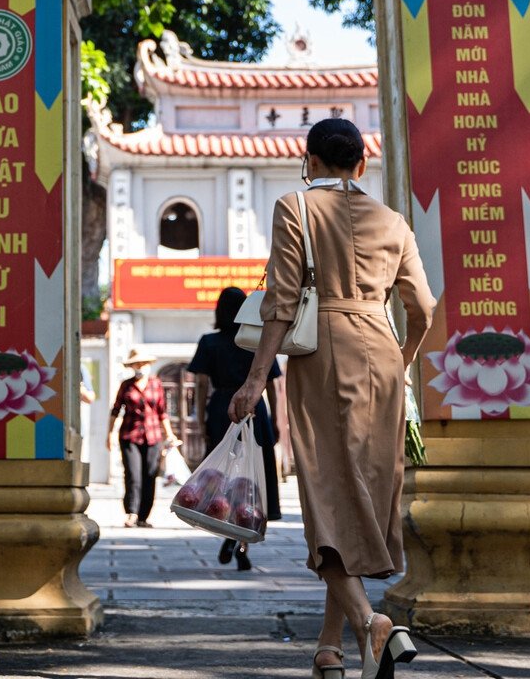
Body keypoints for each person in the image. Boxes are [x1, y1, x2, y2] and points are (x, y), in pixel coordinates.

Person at [230, 118, 432, 679]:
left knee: (327, 496)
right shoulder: (393, 220)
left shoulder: (296, 207)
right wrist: (404, 361)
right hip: (385, 354)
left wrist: (255, 379)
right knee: (359, 493)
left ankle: (371, 624)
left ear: (310, 162)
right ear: (361, 166)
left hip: (324, 355)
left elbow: (281, 302)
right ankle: (329, 647)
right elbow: (424, 308)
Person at [187, 286, 284, 571]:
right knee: (254, 478)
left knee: (223, 477)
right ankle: (242, 539)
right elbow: (272, 385)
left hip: (221, 409)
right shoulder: (258, 342)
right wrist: (277, 420)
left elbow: (202, 384)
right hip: (256, 411)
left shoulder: (209, 342)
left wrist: (201, 419)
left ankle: (228, 529)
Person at [108, 347, 175, 528]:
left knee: (150, 475)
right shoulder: (126, 385)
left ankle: (143, 516)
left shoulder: (156, 384)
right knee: (132, 475)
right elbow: (115, 410)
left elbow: (162, 412)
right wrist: (110, 433)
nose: (141, 367)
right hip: (130, 435)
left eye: (144, 363)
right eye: (137, 364)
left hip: (153, 437)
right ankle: (131, 512)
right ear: (132, 366)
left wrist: (169, 435)